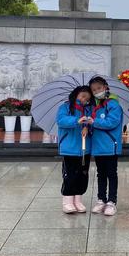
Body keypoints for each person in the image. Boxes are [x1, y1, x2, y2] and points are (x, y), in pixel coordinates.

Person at [87, 76, 123, 216]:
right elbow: (92, 124)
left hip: (110, 146)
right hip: (98, 147)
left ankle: (112, 201)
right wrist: (88, 125)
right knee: (100, 174)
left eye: (99, 88)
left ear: (106, 87)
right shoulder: (94, 107)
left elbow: (112, 122)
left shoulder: (113, 104)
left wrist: (94, 122)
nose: (97, 91)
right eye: (94, 90)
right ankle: (101, 199)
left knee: (111, 174)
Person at [56, 85, 94, 214]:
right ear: (76, 94)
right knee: (70, 175)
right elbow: (61, 120)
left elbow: (92, 123)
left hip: (84, 149)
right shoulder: (65, 107)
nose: (84, 100)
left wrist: (87, 127)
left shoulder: (88, 109)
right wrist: (77, 120)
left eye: (87, 98)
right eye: (83, 96)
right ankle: (67, 201)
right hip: (70, 148)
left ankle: (78, 200)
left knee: (82, 174)